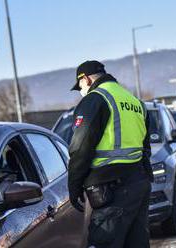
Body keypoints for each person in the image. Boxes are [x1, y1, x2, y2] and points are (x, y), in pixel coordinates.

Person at [68, 60, 153, 248]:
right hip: (139, 182)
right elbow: (145, 147)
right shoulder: (134, 101)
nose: (81, 90)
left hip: (112, 190)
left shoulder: (95, 99)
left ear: (86, 79)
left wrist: (74, 188)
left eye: (80, 85)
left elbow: (80, 148)